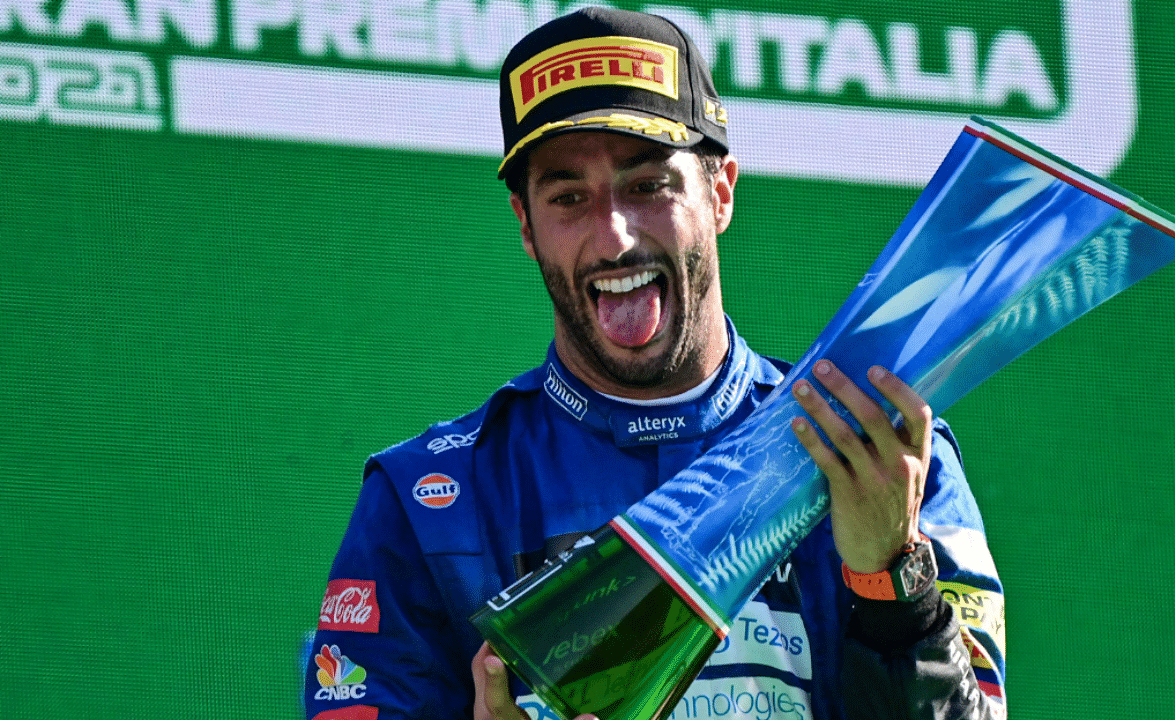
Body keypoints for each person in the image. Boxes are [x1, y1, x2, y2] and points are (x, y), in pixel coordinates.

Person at [304, 8, 1005, 720]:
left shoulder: (880, 457)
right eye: (569, 197)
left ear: (721, 191)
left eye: (648, 186)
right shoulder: (428, 504)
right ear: (525, 225)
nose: (613, 238)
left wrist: (895, 584)